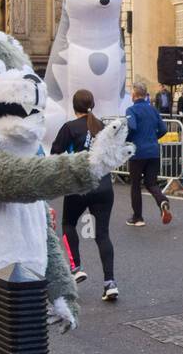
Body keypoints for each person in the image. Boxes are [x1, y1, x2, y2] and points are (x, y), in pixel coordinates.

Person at [52, 89, 119, 301]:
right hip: (104, 185)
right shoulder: (104, 128)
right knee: (103, 234)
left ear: (74, 107)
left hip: (79, 185)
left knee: (68, 224)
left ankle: (76, 267)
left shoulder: (70, 128)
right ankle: (110, 283)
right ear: (93, 105)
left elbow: (55, 155)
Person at [125, 82, 171, 226]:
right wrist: (152, 139)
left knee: (136, 185)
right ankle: (162, 200)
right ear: (145, 95)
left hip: (138, 152)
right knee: (151, 183)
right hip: (153, 151)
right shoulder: (153, 110)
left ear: (134, 95)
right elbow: (163, 129)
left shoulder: (131, 110)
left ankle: (138, 218)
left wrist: (127, 140)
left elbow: (131, 127)